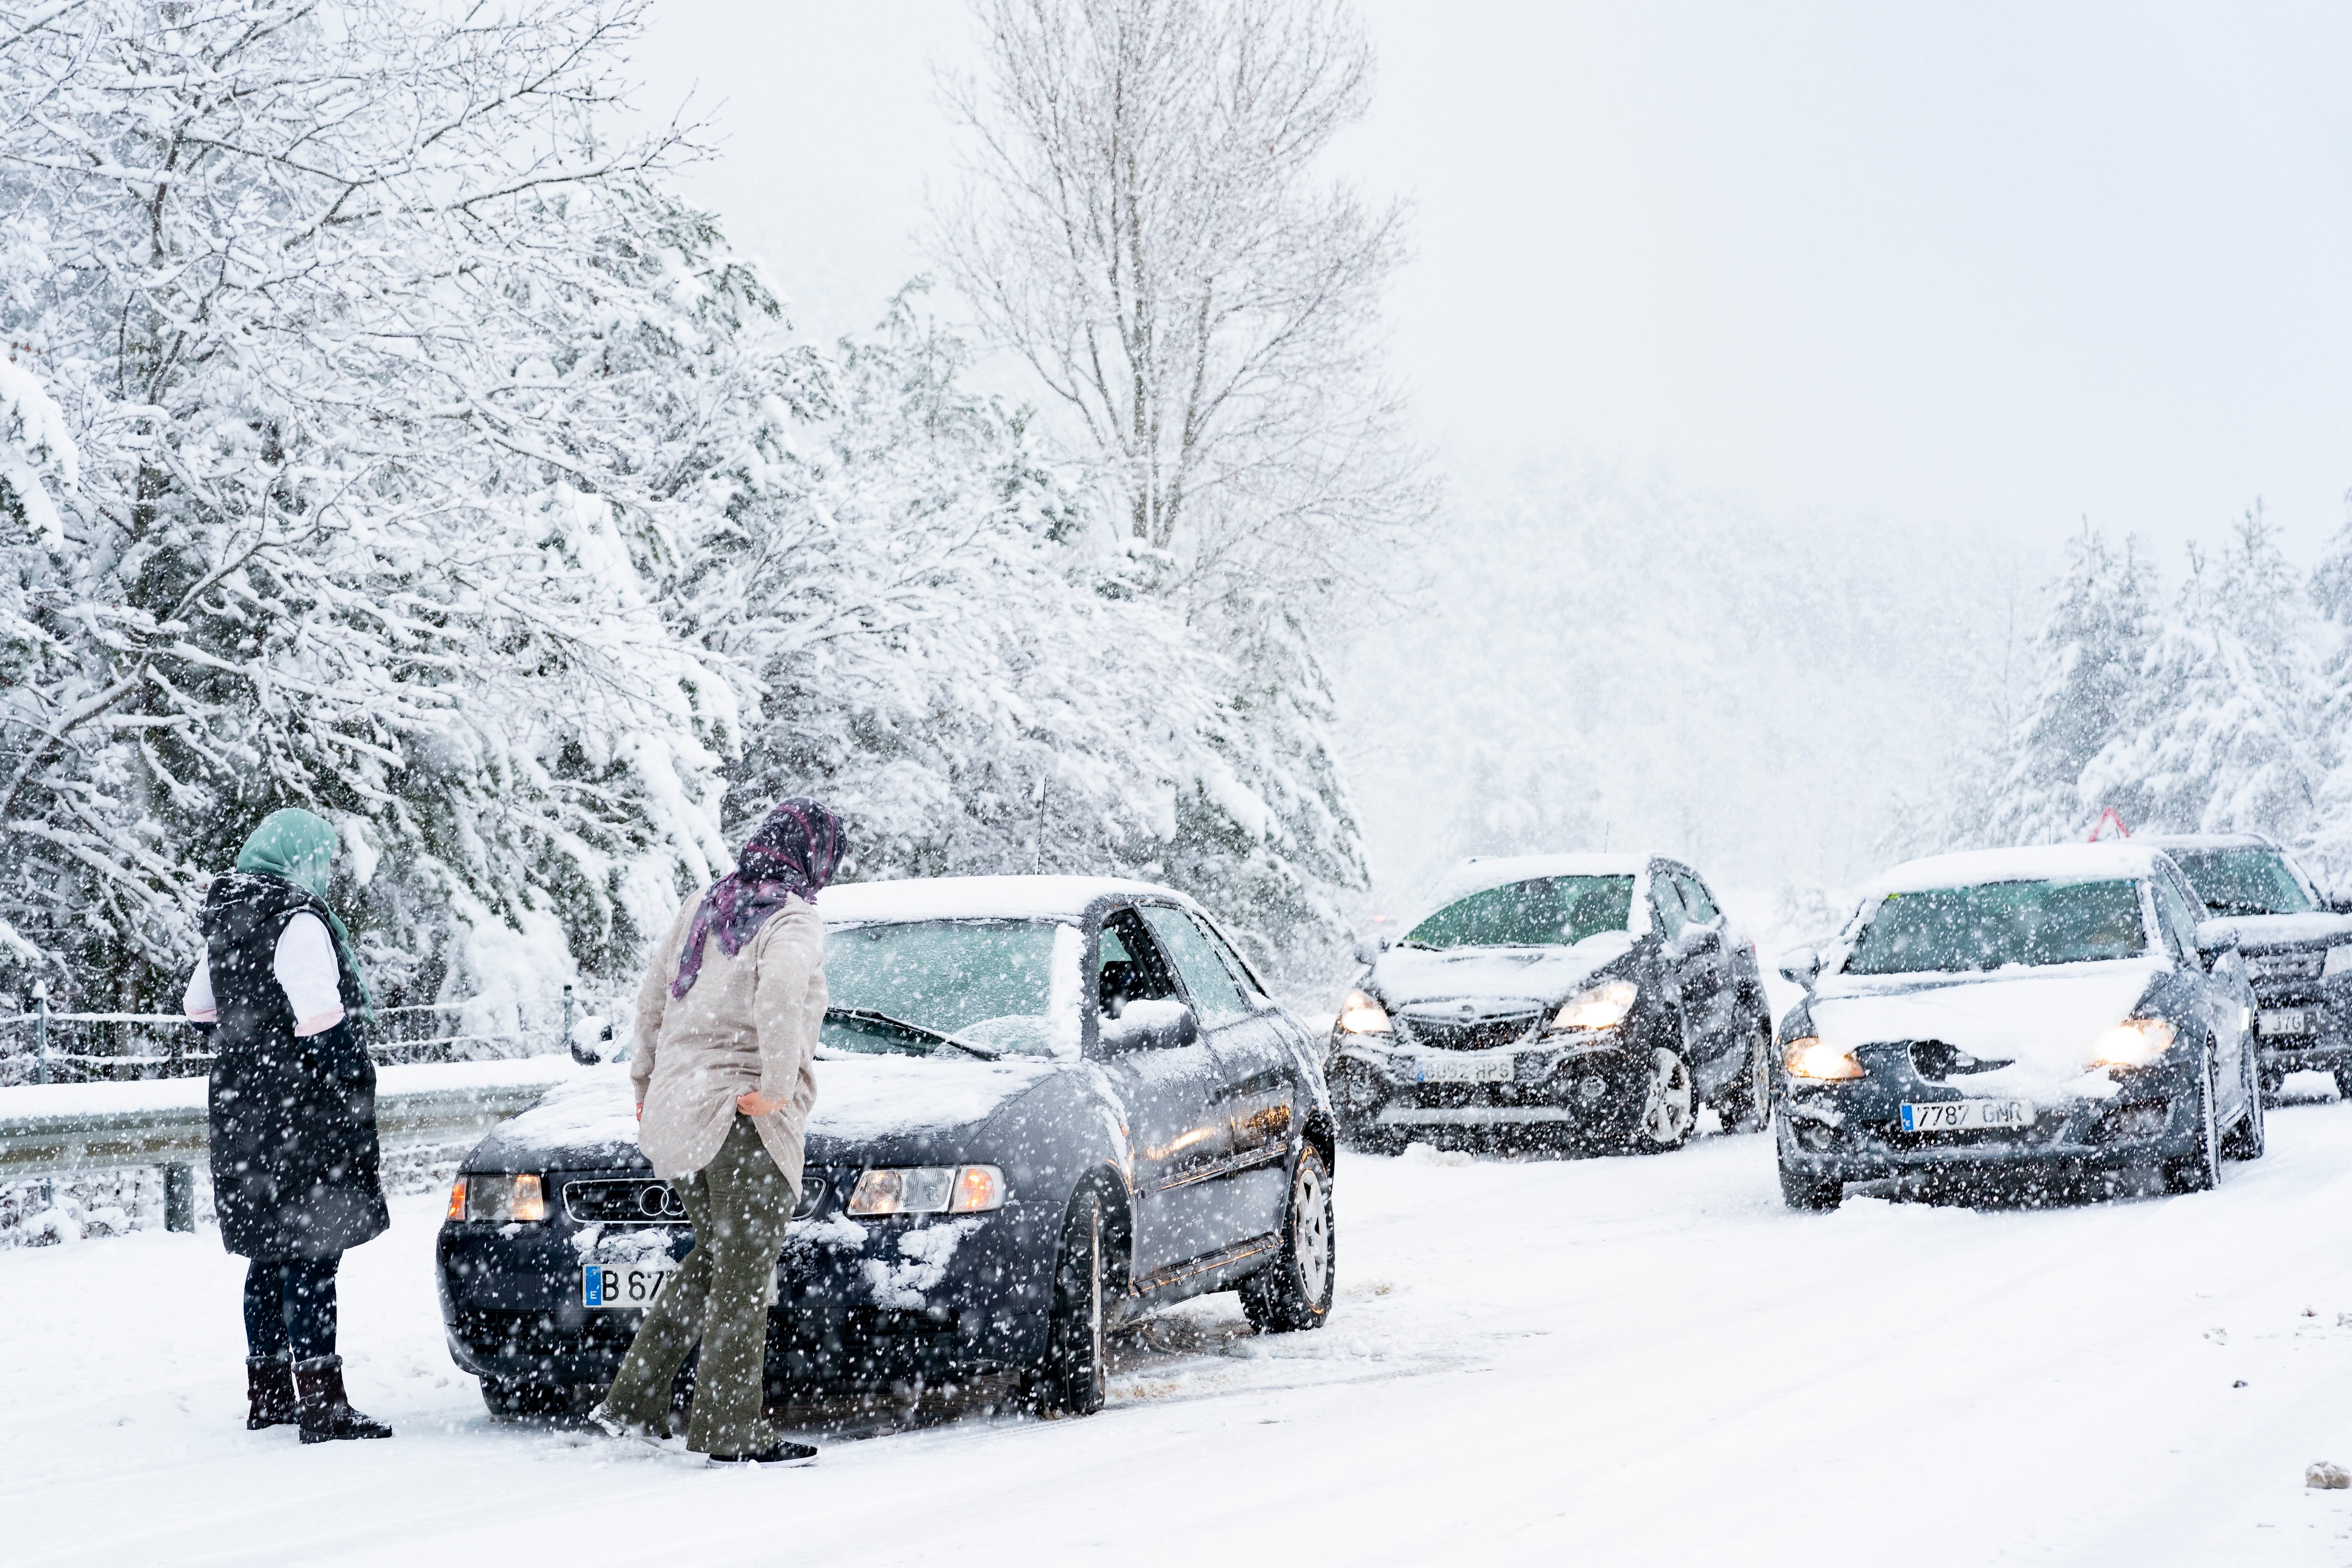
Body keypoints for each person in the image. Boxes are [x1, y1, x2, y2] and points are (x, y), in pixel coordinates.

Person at [590, 798, 841, 1466]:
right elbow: (782, 990)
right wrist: (780, 1086)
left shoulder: (707, 904)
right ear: (815, 857)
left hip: (678, 1106)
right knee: (742, 1276)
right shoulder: (792, 918)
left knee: (713, 1260)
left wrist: (644, 1083)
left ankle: (633, 1401)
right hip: (739, 1114)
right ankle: (730, 1428)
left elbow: (654, 995)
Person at [184, 807, 393, 1444]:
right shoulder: (299, 920)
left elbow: (198, 1008)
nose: (326, 871)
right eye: (322, 859)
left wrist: (251, 1043)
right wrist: (347, 1074)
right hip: (303, 1110)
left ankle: (269, 1393)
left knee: (269, 1252)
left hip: (246, 1107)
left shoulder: (231, 916)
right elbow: (322, 1021)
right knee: (313, 1251)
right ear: (297, 858)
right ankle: (322, 1405)